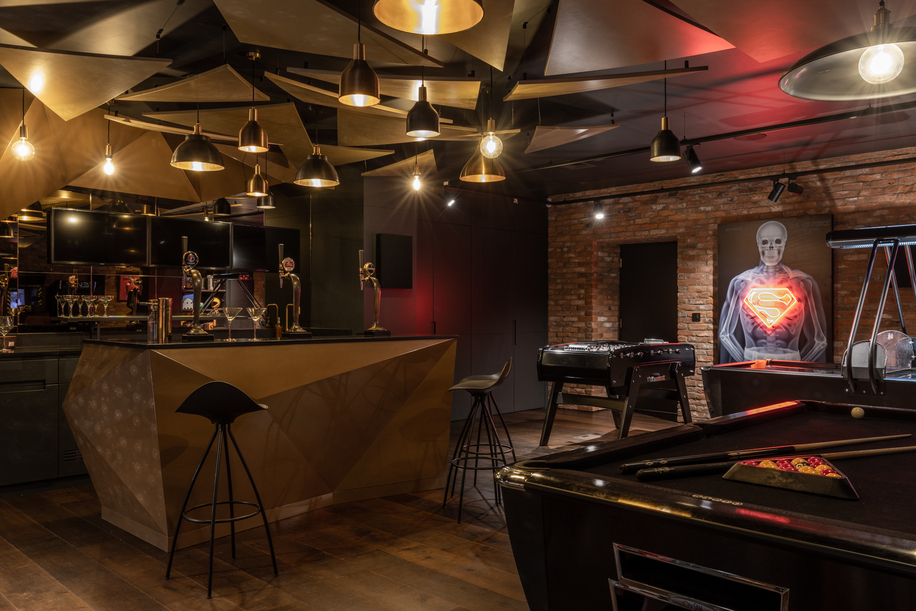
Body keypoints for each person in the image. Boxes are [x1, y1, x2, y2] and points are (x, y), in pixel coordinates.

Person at [719, 220, 828, 363]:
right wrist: (746, 362)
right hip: (753, 360)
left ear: (784, 243)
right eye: (765, 242)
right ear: (758, 244)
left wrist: (800, 367)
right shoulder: (741, 282)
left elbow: (819, 340)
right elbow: (725, 334)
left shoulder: (803, 283)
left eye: (777, 242)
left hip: (788, 362)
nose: (771, 247)